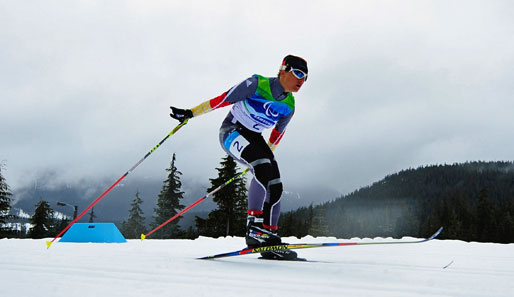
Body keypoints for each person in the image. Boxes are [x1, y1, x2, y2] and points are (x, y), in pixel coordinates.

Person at [170, 55, 308, 260]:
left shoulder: (289, 105)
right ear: (283, 70)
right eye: (298, 73)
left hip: (255, 138)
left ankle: (268, 236)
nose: (301, 80)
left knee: (275, 183)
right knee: (262, 166)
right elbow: (222, 100)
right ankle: (254, 228)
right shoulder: (256, 84)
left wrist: (266, 155)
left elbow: (277, 134)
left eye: (305, 77)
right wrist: (189, 113)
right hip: (232, 131)